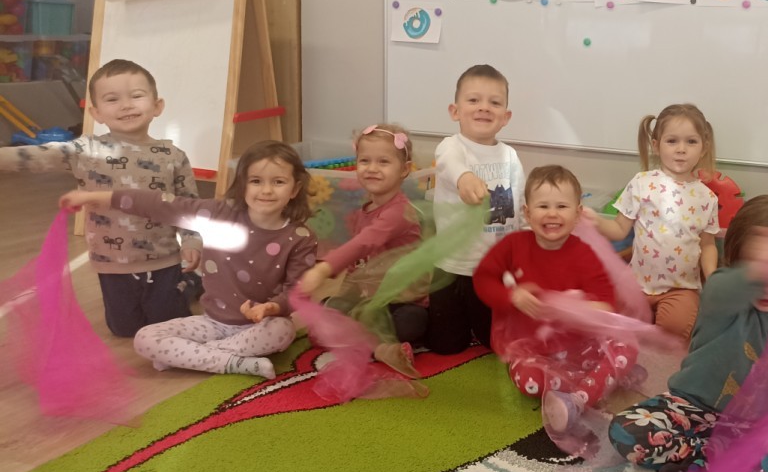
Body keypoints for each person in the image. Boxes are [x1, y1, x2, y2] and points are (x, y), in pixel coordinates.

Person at [608, 194, 768, 472]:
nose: (767, 282)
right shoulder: (722, 295)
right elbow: (722, 287)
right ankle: (721, 466)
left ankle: (705, 469)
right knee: (625, 430)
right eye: (754, 267)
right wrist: (760, 269)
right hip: (692, 408)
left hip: (755, 425)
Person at [60, 140, 317, 379]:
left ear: (295, 189)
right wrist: (93, 197)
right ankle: (233, 362)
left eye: (278, 182)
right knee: (145, 338)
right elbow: (160, 204)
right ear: (243, 185)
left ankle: (192, 356)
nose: (267, 190)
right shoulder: (219, 213)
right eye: (256, 181)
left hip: (262, 326)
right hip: (212, 323)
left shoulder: (301, 238)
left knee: (283, 331)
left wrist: (271, 308)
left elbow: (297, 292)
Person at [0, 59, 201, 336]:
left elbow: (187, 204)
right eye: (112, 99)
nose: (126, 105)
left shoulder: (173, 156)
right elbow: (36, 155)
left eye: (136, 96)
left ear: (157, 106)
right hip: (110, 261)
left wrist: (191, 240)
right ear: (96, 113)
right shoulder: (86, 150)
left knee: (169, 324)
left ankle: (191, 284)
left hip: (163, 258)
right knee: (124, 329)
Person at [474, 165, 636, 438]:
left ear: (577, 214)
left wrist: (575, 309)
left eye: (561, 206)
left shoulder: (585, 254)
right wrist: (511, 296)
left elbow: (606, 304)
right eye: (543, 206)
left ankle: (577, 400)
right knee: (530, 383)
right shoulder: (513, 245)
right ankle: (592, 383)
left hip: (578, 346)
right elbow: (483, 278)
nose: (552, 213)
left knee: (626, 347)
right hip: (530, 348)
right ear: (527, 213)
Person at [585, 103, 720, 339]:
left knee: (674, 331)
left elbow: (708, 244)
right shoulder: (642, 183)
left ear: (704, 148)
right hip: (636, 284)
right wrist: (596, 221)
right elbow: (619, 229)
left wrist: (713, 278)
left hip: (681, 288)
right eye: (672, 141)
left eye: (691, 142)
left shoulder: (707, 198)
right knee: (619, 328)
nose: (681, 149)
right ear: (656, 146)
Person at [297, 123, 428, 349]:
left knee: (409, 322)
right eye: (365, 161)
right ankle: (368, 338)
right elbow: (358, 264)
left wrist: (323, 269)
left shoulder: (399, 212)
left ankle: (372, 341)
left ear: (404, 169)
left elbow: (365, 242)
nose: (372, 168)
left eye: (383, 162)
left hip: (401, 300)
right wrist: (344, 298)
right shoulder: (363, 211)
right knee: (326, 314)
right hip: (370, 297)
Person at [426, 64, 524, 354]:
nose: (484, 108)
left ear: (505, 117)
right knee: (446, 345)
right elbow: (449, 164)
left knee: (493, 343)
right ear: (455, 111)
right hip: (451, 266)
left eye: (494, 102)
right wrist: (464, 178)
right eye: (473, 100)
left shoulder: (510, 156)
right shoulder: (451, 147)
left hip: (491, 269)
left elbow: (518, 205)